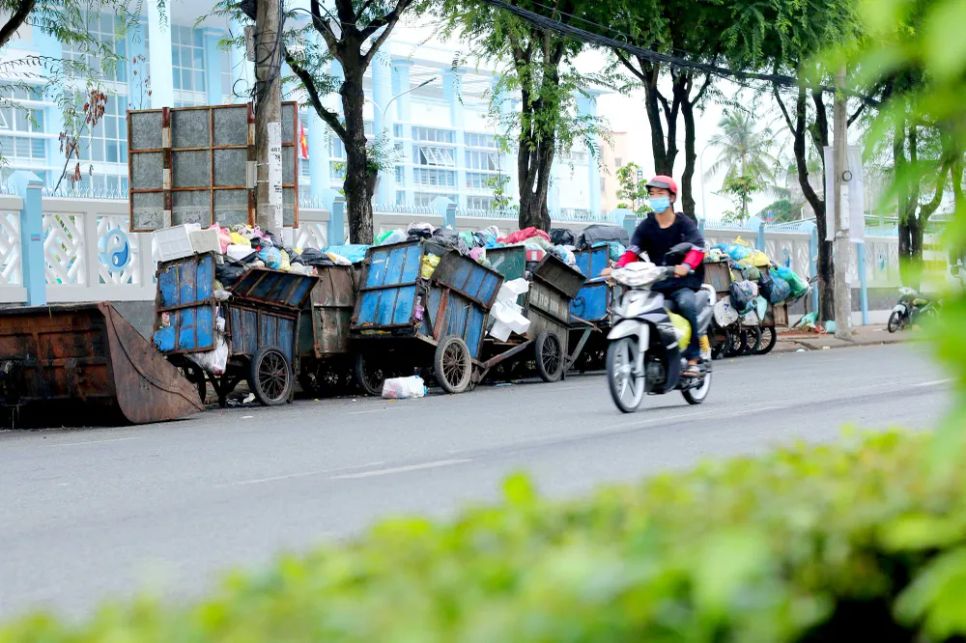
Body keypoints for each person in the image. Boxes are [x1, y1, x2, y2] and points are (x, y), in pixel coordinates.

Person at [614, 175, 706, 376]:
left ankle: (693, 359)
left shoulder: (684, 224)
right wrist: (617, 268)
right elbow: (632, 251)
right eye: (652, 194)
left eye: (660, 194)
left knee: (686, 304)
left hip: (683, 283)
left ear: (672, 197)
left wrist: (686, 265)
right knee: (638, 308)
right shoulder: (646, 226)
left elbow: (698, 248)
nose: (655, 198)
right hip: (657, 283)